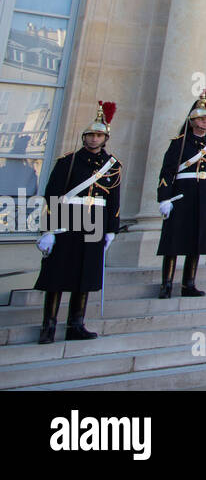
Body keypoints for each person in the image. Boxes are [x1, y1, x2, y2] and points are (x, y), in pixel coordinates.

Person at [33, 101, 121, 343]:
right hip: (68, 218)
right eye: (90, 135)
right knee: (58, 272)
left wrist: (112, 229)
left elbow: (114, 199)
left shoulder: (112, 167)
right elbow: (53, 195)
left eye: (99, 135)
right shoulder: (68, 161)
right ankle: (48, 325)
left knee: (86, 273)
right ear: (84, 137)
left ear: (105, 138)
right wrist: (50, 230)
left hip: (96, 221)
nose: (94, 139)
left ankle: (76, 324)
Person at [157, 90, 206, 298]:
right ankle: (167, 283)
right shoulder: (179, 143)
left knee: (196, 239)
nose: (205, 122)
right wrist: (164, 198)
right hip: (181, 194)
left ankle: (189, 283)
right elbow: (167, 171)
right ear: (193, 121)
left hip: (203, 195)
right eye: (202, 119)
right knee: (174, 240)